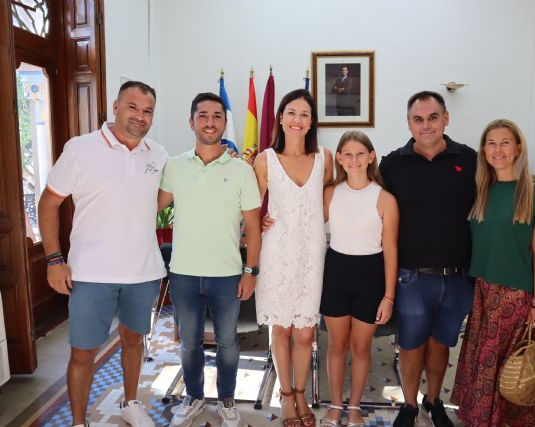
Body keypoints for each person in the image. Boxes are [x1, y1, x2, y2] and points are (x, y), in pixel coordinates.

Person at [38, 81, 168, 427]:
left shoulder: (159, 154)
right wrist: (54, 259)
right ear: (115, 106)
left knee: (133, 340)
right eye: (133, 107)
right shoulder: (80, 149)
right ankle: (79, 422)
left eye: (148, 111)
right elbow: (49, 203)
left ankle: (130, 403)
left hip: (142, 271)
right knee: (83, 352)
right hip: (90, 273)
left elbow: (167, 199)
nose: (140, 116)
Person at [158, 92, 261, 427]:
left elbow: (255, 227)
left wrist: (251, 271)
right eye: (203, 115)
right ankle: (194, 396)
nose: (210, 121)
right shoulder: (173, 166)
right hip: (184, 274)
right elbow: (149, 209)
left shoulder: (242, 170)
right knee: (189, 342)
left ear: (225, 122)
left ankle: (227, 400)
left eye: (217, 116)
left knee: (229, 341)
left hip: (227, 274)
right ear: (192, 122)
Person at [379, 91, 477, 427]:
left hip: (458, 277)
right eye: (418, 119)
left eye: (433, 117)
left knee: (440, 344)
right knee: (411, 344)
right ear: (409, 123)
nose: (426, 125)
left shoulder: (471, 160)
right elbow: (370, 204)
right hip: (412, 277)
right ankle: (408, 405)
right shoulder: (392, 164)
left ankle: (433, 401)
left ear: (446, 118)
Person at [450, 119, 535, 427]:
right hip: (483, 289)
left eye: (505, 142)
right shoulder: (483, 190)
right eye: (491, 143)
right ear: (484, 150)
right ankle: (483, 418)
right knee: (483, 362)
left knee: (502, 365)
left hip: (515, 294)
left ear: (518, 148)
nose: (498, 149)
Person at [253, 89, 333, 427]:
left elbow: (332, 202)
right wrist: (257, 221)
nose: (297, 119)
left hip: (312, 255)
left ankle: (302, 392)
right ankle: (286, 396)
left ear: (311, 121)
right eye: (291, 112)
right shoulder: (264, 159)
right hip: (277, 254)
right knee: (281, 330)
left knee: (305, 333)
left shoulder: (325, 159)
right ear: (281, 118)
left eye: (304, 114)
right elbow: (250, 209)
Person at [320, 131, 399, 427]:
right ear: (339, 158)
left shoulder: (385, 199)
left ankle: (354, 407)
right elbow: (305, 222)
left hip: (371, 276)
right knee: (337, 345)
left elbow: (391, 250)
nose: (354, 160)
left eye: (359, 154)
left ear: (371, 156)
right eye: (347, 154)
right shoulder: (330, 193)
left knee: (361, 347)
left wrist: (388, 297)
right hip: (336, 273)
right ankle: (336, 405)